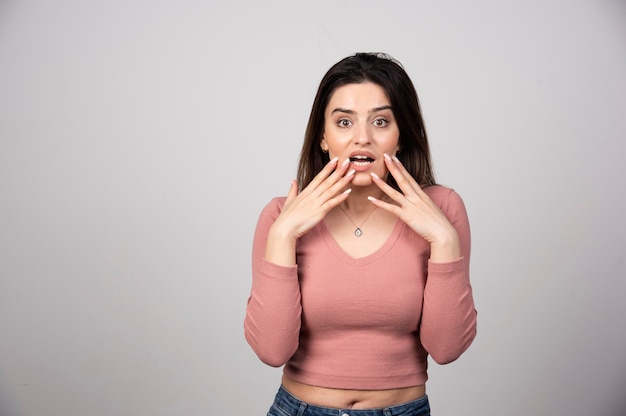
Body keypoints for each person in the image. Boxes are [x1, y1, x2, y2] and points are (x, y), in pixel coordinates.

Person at [244, 52, 477, 416]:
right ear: (323, 137)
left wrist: (444, 241)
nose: (362, 138)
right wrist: (283, 234)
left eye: (381, 121)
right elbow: (271, 352)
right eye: (344, 122)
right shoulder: (280, 216)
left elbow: (446, 349)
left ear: (401, 137)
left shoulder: (442, 210)